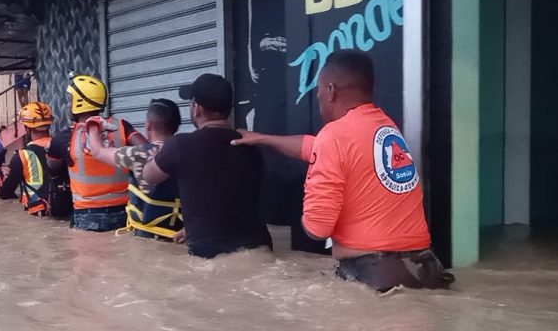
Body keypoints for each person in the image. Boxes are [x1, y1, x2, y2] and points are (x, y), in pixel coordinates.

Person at [233, 50, 454, 292]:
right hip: (424, 269)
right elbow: (314, 146)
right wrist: (262, 138)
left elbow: (317, 228)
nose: (318, 99)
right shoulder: (384, 126)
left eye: (318, 93)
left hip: (377, 276)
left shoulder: (335, 136)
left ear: (330, 90)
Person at [143, 74, 272, 258]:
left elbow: (149, 176)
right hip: (260, 250)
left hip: (210, 255)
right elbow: (231, 197)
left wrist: (156, 156)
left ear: (197, 108)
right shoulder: (251, 147)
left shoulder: (180, 145)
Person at [47, 74, 147, 232]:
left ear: (80, 102)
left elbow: (52, 166)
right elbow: (146, 151)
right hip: (126, 212)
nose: (68, 105)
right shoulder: (122, 126)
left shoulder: (64, 138)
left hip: (87, 215)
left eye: (71, 100)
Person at [86, 98, 183, 240]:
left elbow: (97, 151)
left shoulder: (137, 155)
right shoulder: (189, 154)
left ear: (148, 125)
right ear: (176, 127)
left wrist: (93, 125)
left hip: (146, 239)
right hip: (179, 236)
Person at [0, 102, 72, 218]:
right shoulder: (64, 147)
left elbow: (5, 193)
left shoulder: (22, 156)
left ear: (27, 128)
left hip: (39, 214)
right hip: (67, 211)